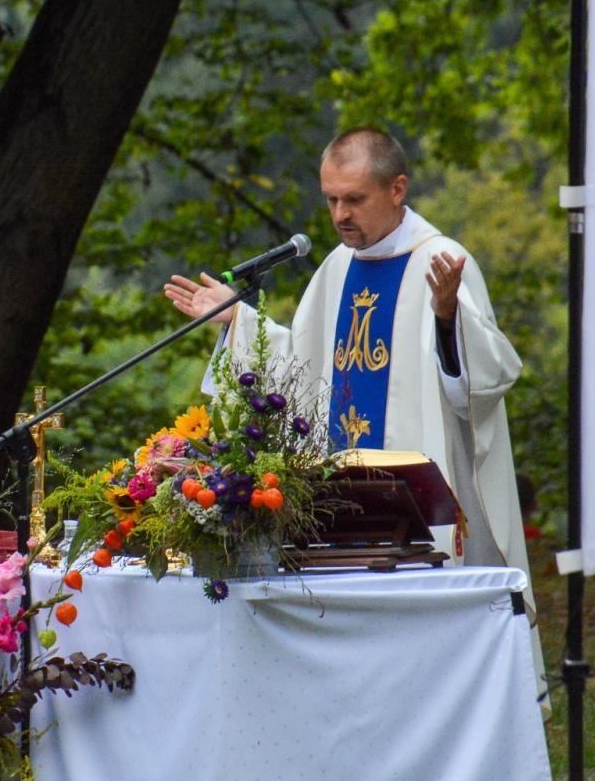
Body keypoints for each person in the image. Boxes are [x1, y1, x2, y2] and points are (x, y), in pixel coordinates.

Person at [165, 128, 544, 698]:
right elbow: (300, 368)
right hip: (344, 509)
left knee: (434, 680)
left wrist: (447, 320)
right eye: (330, 199)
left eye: (354, 199)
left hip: (428, 512)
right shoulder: (336, 270)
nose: (339, 214)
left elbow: (482, 387)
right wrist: (239, 320)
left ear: (397, 188)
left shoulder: (442, 263)